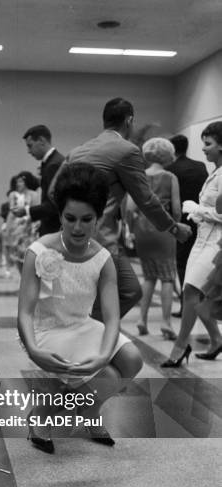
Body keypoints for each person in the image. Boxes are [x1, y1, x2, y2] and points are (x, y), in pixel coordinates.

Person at [18, 162, 143, 454]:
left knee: (133, 360)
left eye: (87, 219)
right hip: (46, 329)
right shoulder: (39, 251)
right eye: (69, 218)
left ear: (99, 218)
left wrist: (102, 354)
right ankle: (42, 417)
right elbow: (25, 310)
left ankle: (87, 410)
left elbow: (112, 318)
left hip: (83, 325)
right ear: (60, 215)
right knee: (110, 377)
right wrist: (34, 349)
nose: (77, 227)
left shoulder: (103, 258)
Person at [57, 98, 192, 319]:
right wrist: (175, 228)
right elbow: (145, 199)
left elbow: (56, 193)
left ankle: (92, 333)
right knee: (129, 291)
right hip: (102, 239)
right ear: (129, 120)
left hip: (71, 237)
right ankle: (90, 332)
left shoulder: (77, 151)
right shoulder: (126, 150)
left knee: (101, 293)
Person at [162, 122, 222, 367]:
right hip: (202, 240)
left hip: (215, 244)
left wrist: (200, 211)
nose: (204, 149)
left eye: (208, 144)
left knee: (190, 291)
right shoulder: (215, 172)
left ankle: (180, 345)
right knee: (193, 292)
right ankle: (216, 339)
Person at [129, 138, 181, 339]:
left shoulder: (139, 177)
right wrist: (174, 226)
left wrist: (131, 228)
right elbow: (176, 210)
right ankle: (166, 323)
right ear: (168, 154)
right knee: (167, 277)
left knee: (149, 276)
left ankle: (142, 320)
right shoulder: (170, 177)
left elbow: (131, 209)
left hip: (142, 230)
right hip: (164, 230)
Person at [167, 134, 208, 317]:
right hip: (201, 220)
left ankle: (186, 305)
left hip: (180, 221)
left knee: (182, 264)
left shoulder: (170, 170)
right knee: (201, 263)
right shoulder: (200, 167)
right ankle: (202, 302)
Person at [20, 124, 64, 235]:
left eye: (30, 146)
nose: (28, 151)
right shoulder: (52, 162)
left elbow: (54, 204)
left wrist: (26, 211)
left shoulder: (53, 165)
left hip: (53, 229)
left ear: (41, 140)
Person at [5, 172, 40, 272]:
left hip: (29, 228)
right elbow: (12, 211)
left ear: (26, 181)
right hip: (15, 228)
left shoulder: (34, 194)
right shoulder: (13, 194)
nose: (18, 183)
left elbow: (35, 211)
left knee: (29, 255)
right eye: (17, 181)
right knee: (16, 256)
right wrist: (8, 228)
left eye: (21, 181)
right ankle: (22, 280)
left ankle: (29, 280)